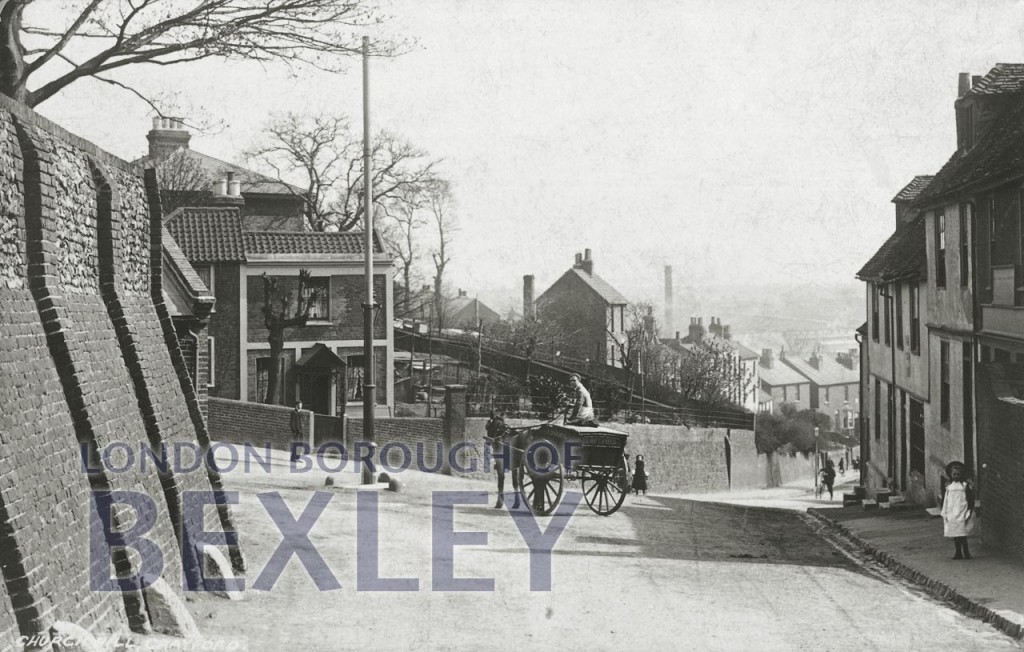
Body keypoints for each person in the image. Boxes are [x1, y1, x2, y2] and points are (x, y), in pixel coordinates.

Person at [941, 460, 975, 560]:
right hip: (952, 511)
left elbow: (970, 499)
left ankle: (966, 552)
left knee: (962, 534)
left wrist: (969, 510)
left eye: (958, 474)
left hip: (962, 510)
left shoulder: (964, 486)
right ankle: (958, 553)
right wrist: (946, 511)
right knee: (956, 534)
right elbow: (946, 499)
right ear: (951, 475)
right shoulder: (948, 487)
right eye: (954, 474)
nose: (956, 476)